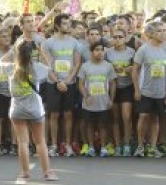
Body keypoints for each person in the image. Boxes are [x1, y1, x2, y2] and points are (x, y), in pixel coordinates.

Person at [9, 38, 57, 183]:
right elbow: (50, 66)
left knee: (22, 142)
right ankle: (47, 172)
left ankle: (24, 173)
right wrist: (41, 51)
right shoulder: (37, 67)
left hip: (17, 109)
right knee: (40, 141)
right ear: (32, 54)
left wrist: (14, 50)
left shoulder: (10, 68)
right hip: (35, 109)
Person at [42, 13, 82, 157]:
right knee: (53, 114)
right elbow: (47, 64)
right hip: (53, 82)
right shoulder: (48, 43)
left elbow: (77, 64)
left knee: (68, 114)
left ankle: (68, 144)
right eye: (64, 23)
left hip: (69, 83)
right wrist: (57, 81)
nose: (68, 26)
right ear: (57, 26)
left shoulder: (75, 43)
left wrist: (67, 81)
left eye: (69, 23)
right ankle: (53, 145)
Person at [132, 21, 166, 157]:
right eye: (159, 31)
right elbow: (135, 70)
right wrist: (137, 89)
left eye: (164, 30)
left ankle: (153, 147)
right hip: (146, 90)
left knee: (155, 118)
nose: (163, 33)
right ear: (152, 34)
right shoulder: (144, 49)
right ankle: (140, 146)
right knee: (143, 117)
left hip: (160, 92)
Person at [78, 41, 116, 157]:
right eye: (97, 50)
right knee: (90, 124)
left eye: (102, 50)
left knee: (103, 124)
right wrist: (86, 96)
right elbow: (81, 84)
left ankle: (104, 147)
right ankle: (91, 147)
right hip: (89, 102)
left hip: (103, 102)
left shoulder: (108, 66)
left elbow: (113, 83)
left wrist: (111, 99)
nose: (100, 52)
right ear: (91, 52)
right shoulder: (85, 66)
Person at [106, 27, 136, 157]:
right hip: (113, 87)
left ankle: (127, 144)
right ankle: (118, 145)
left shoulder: (131, 52)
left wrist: (131, 68)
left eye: (120, 37)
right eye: (115, 37)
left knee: (127, 117)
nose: (117, 39)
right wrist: (111, 68)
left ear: (125, 39)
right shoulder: (108, 53)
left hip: (127, 86)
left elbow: (136, 67)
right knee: (115, 118)